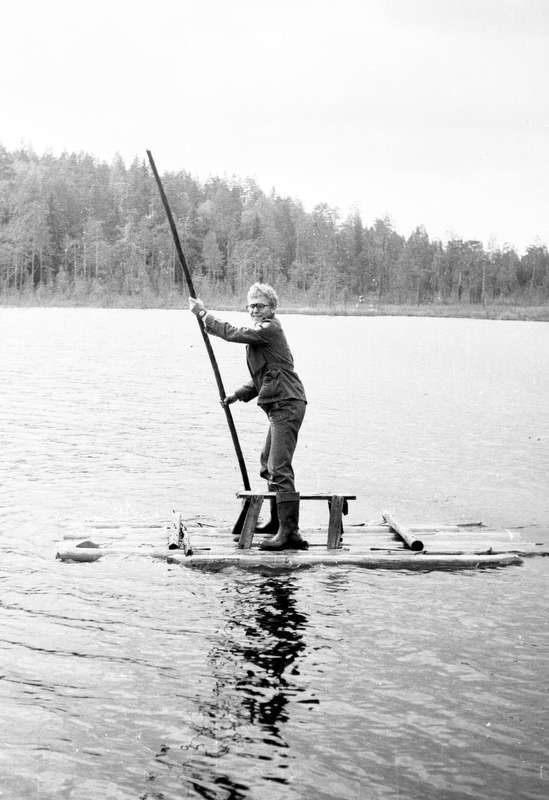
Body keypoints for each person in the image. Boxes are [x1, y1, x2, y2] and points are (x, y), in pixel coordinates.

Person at [189, 283, 307, 550]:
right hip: (280, 404)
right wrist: (237, 395)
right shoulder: (263, 335)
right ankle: (277, 524)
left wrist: (203, 314)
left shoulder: (269, 329)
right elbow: (265, 377)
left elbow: (234, 333)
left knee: (279, 467)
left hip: (287, 404)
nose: (254, 310)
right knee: (268, 464)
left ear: (272, 308)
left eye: (260, 306)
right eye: (251, 306)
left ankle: (290, 533)